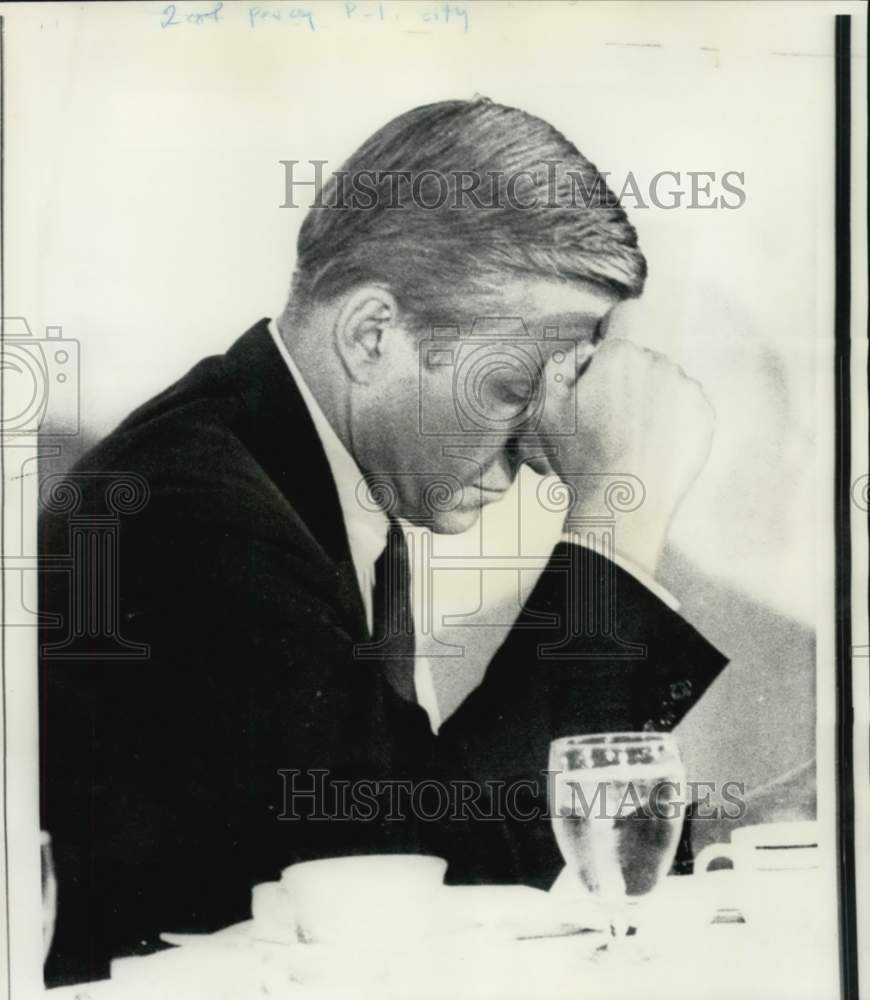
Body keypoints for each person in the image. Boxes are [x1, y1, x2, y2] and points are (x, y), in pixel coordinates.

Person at [39, 98, 727, 986]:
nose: (543, 449)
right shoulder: (188, 516)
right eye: (515, 386)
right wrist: (616, 518)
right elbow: (423, 886)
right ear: (372, 336)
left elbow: (424, 816)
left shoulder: (272, 467)